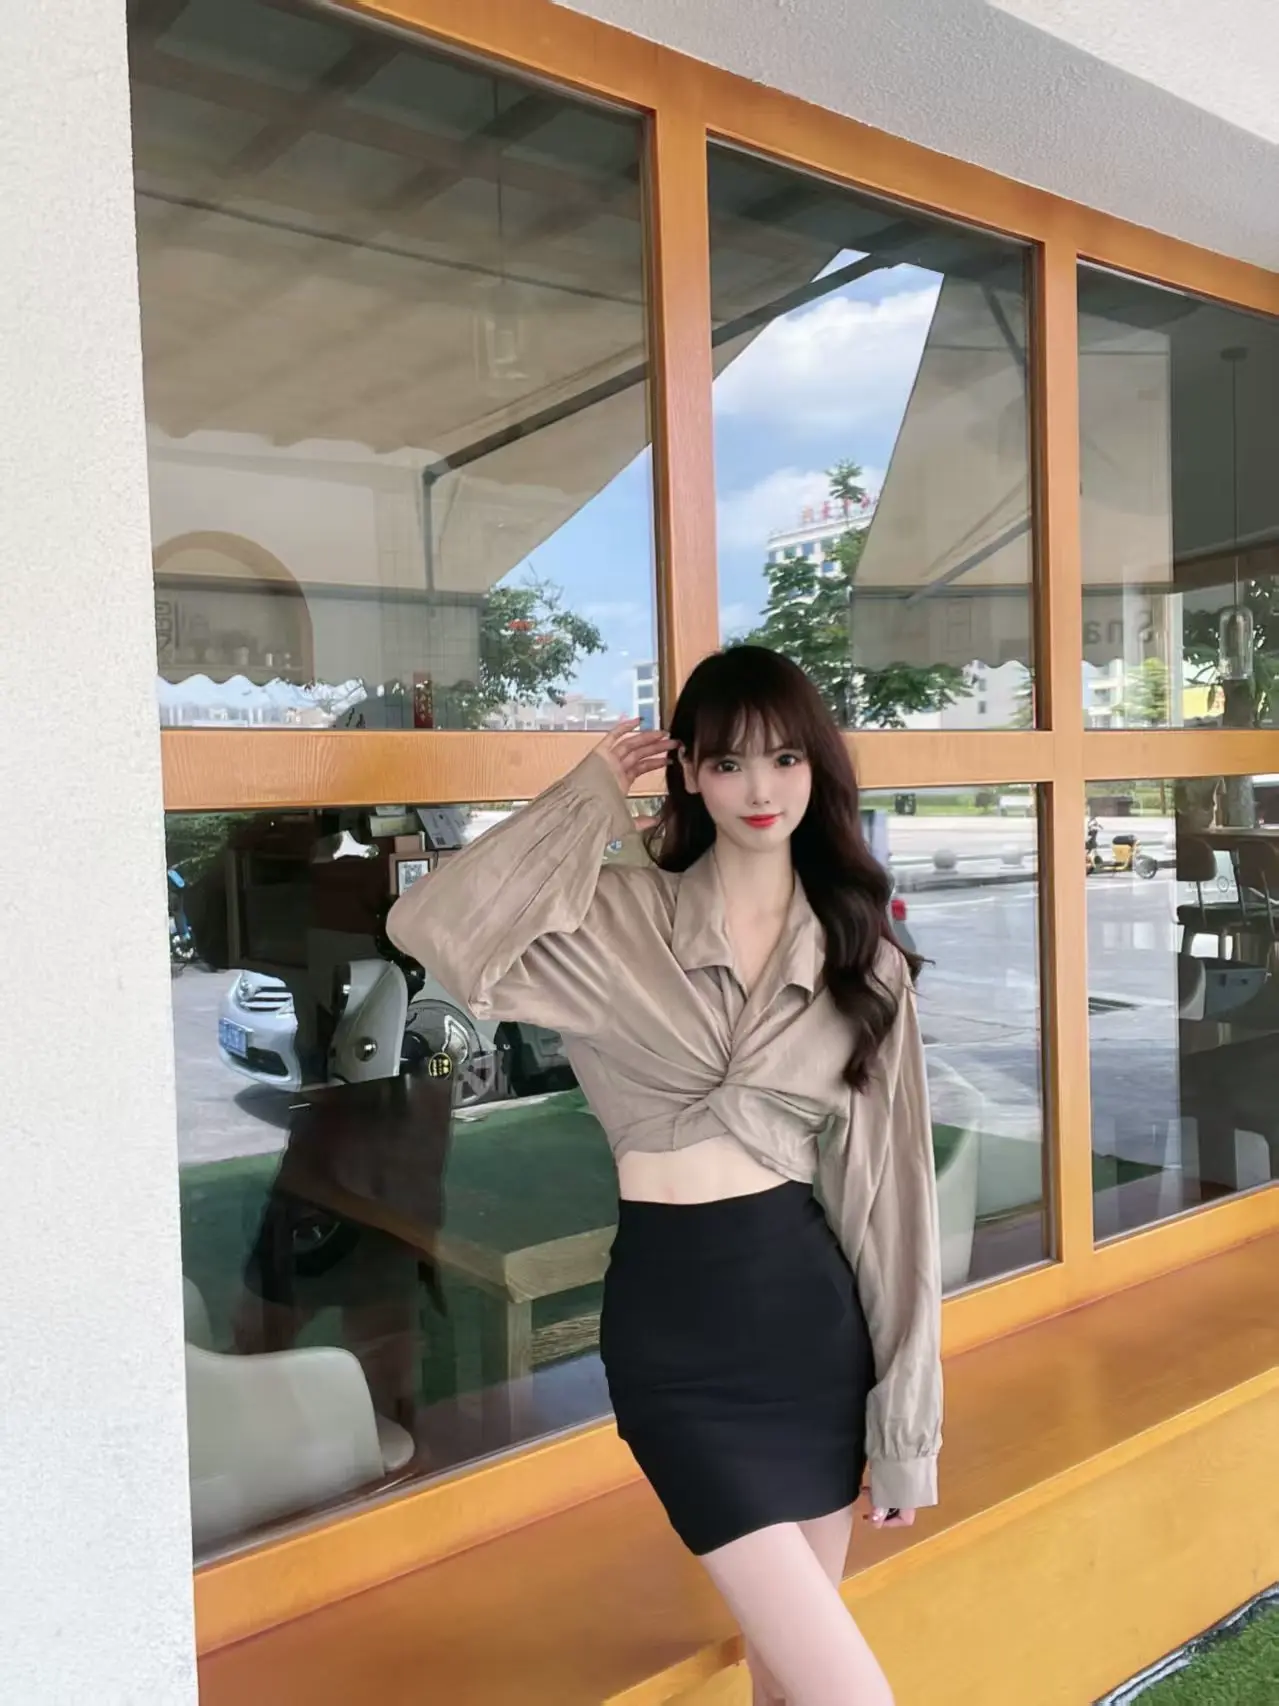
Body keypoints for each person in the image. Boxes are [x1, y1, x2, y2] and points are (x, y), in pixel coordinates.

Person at [387, 646, 941, 1706]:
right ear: (686, 771)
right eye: (728, 762)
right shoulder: (616, 919)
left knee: (788, 1684)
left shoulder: (859, 959)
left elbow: (890, 1202)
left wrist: (905, 1429)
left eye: (784, 758)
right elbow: (433, 927)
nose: (759, 787)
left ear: (816, 768)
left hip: (812, 1337)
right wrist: (588, 794)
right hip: (677, 1345)